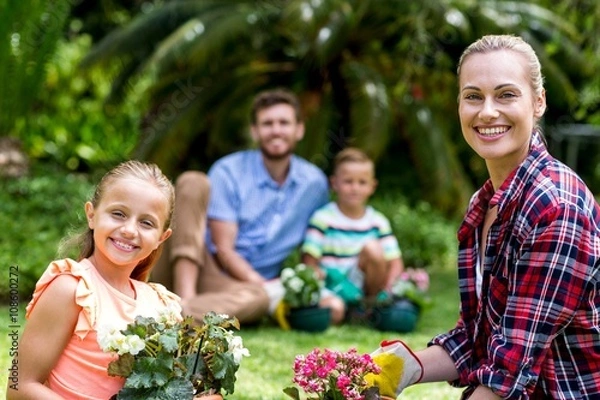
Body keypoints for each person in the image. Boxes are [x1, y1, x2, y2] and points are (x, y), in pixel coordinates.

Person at [367, 34, 600, 399]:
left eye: (506, 94)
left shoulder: (555, 207)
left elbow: (508, 374)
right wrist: (399, 368)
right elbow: (479, 338)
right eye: (473, 96)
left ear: (538, 102)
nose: (487, 111)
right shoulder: (485, 203)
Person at [151, 88, 329, 325]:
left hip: (238, 289)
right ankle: (185, 298)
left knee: (259, 300)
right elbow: (224, 250)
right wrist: (261, 282)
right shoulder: (228, 171)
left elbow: (317, 238)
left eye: (284, 122)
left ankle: (174, 313)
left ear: (299, 129)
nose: (276, 130)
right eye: (267, 123)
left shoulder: (314, 184)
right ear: (255, 131)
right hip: (203, 265)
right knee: (194, 181)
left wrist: (308, 279)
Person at [7, 160, 182, 400]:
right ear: (91, 215)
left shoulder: (161, 304)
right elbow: (20, 388)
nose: (130, 230)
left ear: (162, 237)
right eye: (118, 214)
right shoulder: (72, 289)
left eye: (146, 222)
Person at [301, 147, 405, 324]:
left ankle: (369, 306)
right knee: (334, 312)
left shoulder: (378, 221)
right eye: (348, 181)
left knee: (373, 248)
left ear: (372, 186)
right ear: (334, 183)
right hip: (333, 286)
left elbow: (395, 263)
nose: (355, 188)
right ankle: (351, 313)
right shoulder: (323, 218)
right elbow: (309, 263)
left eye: (362, 182)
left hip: (364, 285)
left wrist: (389, 289)